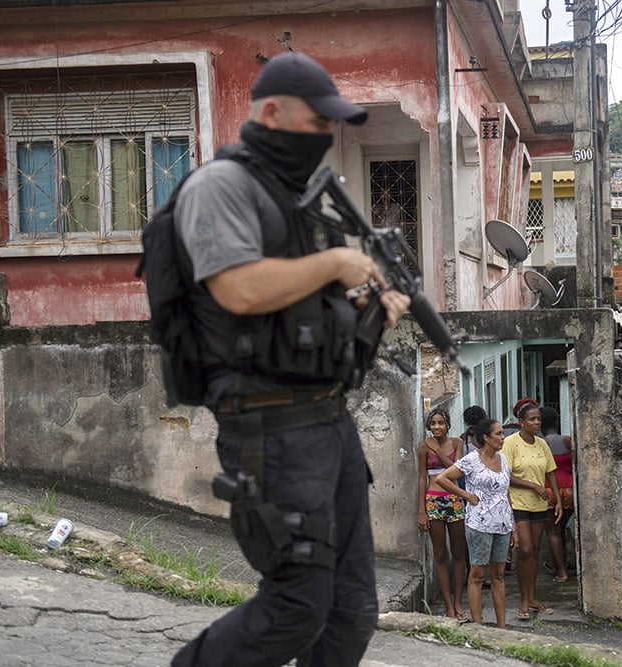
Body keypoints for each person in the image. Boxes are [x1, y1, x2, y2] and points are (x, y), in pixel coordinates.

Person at [170, 51, 410, 667]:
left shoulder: (300, 204)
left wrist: (369, 312)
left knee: (352, 610)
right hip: (270, 429)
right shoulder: (220, 187)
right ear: (271, 113)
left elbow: (308, 320)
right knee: (299, 605)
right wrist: (335, 263)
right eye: (314, 123)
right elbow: (240, 289)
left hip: (330, 424)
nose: (324, 138)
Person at [435, 418, 515, 628]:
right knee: (477, 575)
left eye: (502, 434)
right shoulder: (472, 460)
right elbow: (442, 478)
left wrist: (512, 524)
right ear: (486, 438)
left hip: (502, 524)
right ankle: (478, 626)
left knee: (498, 576)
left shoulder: (503, 460)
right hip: (479, 525)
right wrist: (466, 496)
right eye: (497, 434)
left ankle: (502, 627)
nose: (502, 437)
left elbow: (506, 493)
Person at [503, 401, 561, 619]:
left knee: (535, 551)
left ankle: (532, 598)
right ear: (521, 422)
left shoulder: (542, 444)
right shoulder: (510, 444)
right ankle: (523, 601)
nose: (537, 423)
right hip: (518, 504)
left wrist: (556, 498)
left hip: (539, 505)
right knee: (524, 549)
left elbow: (551, 472)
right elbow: (506, 475)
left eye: (538, 419)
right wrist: (533, 486)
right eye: (532, 419)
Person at [416, 407, 467, 622]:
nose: (437, 427)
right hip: (433, 501)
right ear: (429, 426)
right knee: (439, 554)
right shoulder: (422, 448)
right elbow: (421, 479)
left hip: (454, 499)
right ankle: (447, 603)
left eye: (441, 423)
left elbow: (457, 470)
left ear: (447, 425)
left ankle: (458, 602)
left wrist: (437, 451)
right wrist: (421, 511)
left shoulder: (457, 444)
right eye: (433, 423)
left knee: (458, 553)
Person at [540, 406, 574, 583]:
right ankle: (559, 564)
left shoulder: (542, 443)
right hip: (569, 490)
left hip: (550, 491)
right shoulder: (568, 441)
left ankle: (561, 572)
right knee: (562, 529)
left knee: (553, 532)